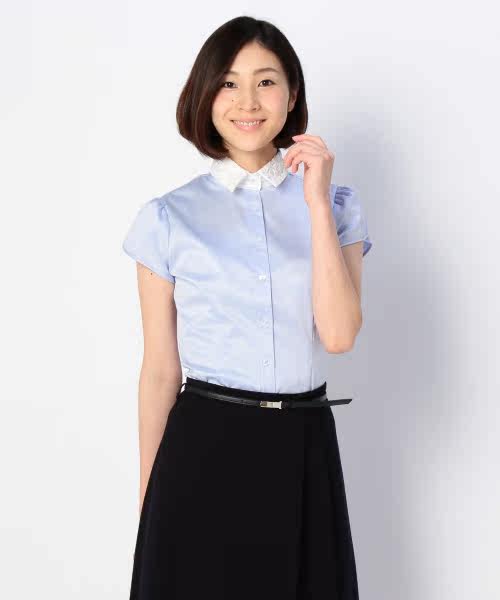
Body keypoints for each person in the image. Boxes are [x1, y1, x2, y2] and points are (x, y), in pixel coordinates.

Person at [122, 15, 372, 600]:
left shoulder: (337, 206)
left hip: (305, 444)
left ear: (292, 94)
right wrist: (150, 498)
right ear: (205, 95)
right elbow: (160, 371)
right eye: (229, 83)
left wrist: (315, 204)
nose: (248, 102)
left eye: (265, 81)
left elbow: (338, 335)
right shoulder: (167, 218)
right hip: (204, 448)